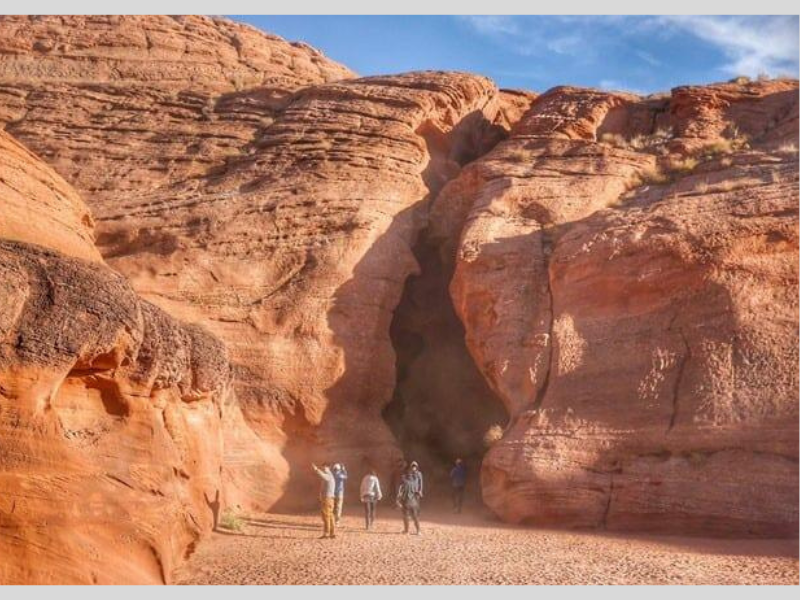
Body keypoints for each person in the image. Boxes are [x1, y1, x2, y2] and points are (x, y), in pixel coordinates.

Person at [312, 462, 336, 539]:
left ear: (328, 467)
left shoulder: (328, 475)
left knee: (326, 516)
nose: (324, 468)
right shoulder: (329, 475)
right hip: (328, 498)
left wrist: (316, 469)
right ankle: (332, 533)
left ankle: (326, 533)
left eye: (325, 467)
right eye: (323, 467)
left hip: (327, 499)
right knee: (330, 516)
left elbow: (323, 476)